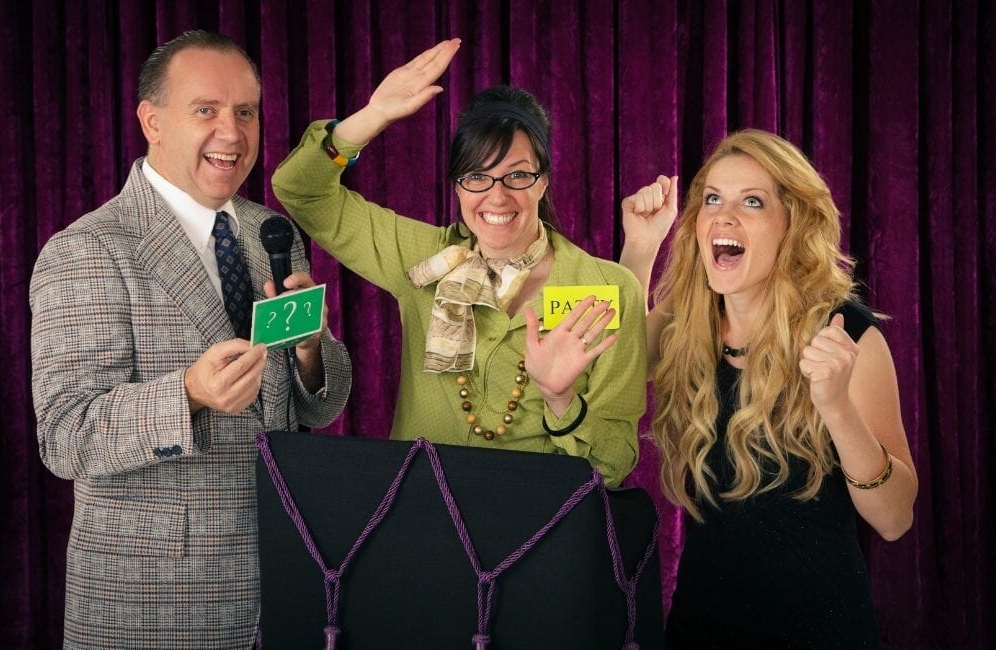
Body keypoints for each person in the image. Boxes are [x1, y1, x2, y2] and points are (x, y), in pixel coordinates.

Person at [29, 31, 352, 649]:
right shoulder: (87, 250)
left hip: (284, 586)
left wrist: (312, 350)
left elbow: (317, 406)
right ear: (151, 121)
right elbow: (65, 436)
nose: (231, 133)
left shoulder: (270, 232)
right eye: (206, 110)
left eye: (245, 112)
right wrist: (187, 394)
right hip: (152, 603)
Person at [272, 39, 646, 486]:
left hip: (539, 532)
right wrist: (372, 117)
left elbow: (617, 463)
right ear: (457, 186)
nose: (497, 195)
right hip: (424, 526)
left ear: (543, 181)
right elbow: (302, 191)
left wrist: (561, 398)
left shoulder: (608, 288)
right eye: (477, 176)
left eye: (518, 174)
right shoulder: (422, 259)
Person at [619, 130, 918, 647]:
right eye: (713, 198)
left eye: (752, 202)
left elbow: (893, 519)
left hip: (820, 628)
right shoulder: (688, 322)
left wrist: (837, 408)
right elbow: (614, 372)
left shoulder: (844, 334)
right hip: (702, 623)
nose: (724, 217)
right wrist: (641, 249)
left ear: (793, 226)